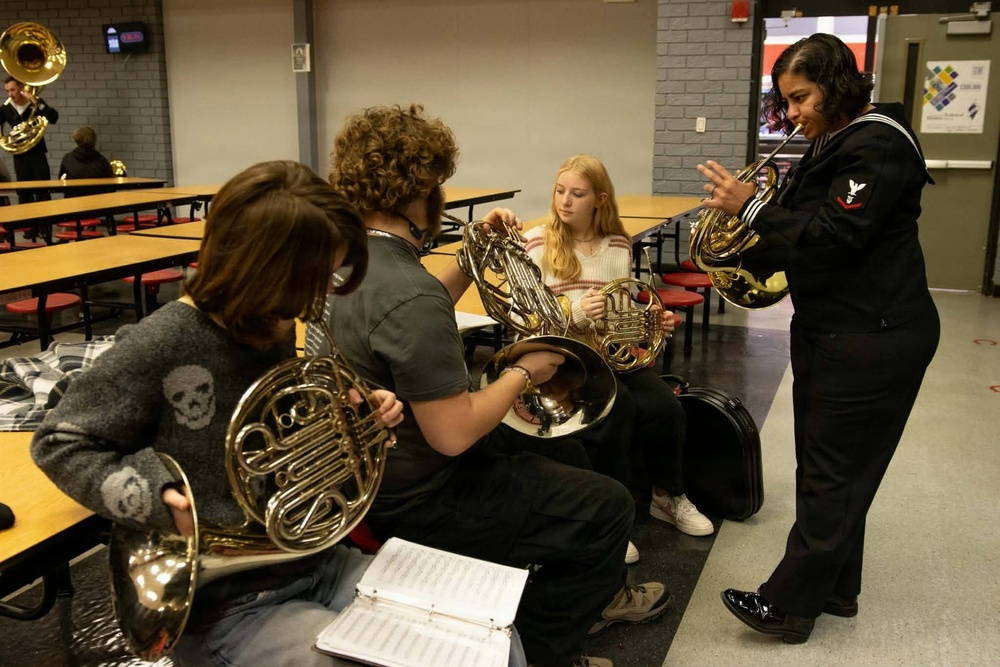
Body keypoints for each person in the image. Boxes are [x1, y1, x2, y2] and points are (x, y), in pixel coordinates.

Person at [30, 160, 442, 667]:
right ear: (260, 270)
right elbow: (59, 441)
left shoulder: (268, 325)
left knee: (477, 629)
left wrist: (349, 419)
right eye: (310, 280)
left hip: (312, 560)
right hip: (229, 604)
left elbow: (269, 430)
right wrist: (160, 496)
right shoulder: (164, 341)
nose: (318, 297)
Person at [322, 103, 670, 667]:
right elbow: (454, 434)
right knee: (606, 507)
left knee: (574, 451)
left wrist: (470, 257)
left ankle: (549, 594)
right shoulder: (410, 295)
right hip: (421, 492)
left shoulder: (349, 262)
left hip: (369, 476)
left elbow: (417, 300)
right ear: (421, 195)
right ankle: (544, 651)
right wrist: (522, 372)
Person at [697, 33, 940, 644]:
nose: (793, 113)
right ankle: (836, 588)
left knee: (834, 472)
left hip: (872, 335)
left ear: (836, 84)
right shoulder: (834, 138)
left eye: (801, 98)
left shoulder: (879, 144)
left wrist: (751, 208)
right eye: (787, 102)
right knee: (829, 466)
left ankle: (788, 606)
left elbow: (836, 235)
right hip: (835, 326)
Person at [523, 155, 715, 560]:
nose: (565, 201)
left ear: (600, 198)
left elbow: (621, 311)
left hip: (611, 357)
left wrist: (649, 323)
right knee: (618, 409)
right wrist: (575, 314)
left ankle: (667, 496)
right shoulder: (538, 241)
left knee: (666, 407)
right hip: (565, 361)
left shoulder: (618, 245)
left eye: (577, 193)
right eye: (560, 191)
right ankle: (609, 517)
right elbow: (530, 321)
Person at [1, 76, 59, 203]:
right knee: (23, 192)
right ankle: (25, 222)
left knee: (43, 190)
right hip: (20, 156)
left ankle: (45, 222)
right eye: (7, 91)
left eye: (13, 90)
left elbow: (54, 117)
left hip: (37, 153)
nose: (10, 94)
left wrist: (37, 103)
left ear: (21, 88)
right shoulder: (6, 108)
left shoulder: (36, 103)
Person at [58, 126, 114, 196]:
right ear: (94, 141)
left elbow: (61, 181)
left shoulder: (67, 158)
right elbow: (111, 185)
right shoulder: (101, 160)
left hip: (73, 201)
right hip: (98, 201)